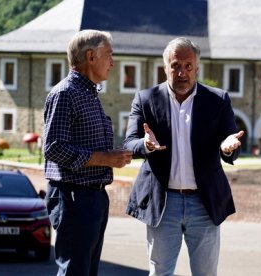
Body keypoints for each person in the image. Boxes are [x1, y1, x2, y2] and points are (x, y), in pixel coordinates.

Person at [122, 37, 244, 276]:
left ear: (197, 68)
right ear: (165, 67)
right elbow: (129, 143)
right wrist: (146, 145)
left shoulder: (217, 100)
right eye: (175, 65)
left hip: (203, 203)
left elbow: (230, 140)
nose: (182, 72)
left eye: (188, 66)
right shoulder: (146, 99)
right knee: (160, 272)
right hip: (163, 203)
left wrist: (228, 148)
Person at [43, 30, 133, 276]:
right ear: (91, 57)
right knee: (74, 271)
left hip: (92, 198)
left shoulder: (89, 94)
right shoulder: (65, 93)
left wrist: (114, 155)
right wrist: (104, 158)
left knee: (87, 271)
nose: (113, 63)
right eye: (109, 55)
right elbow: (53, 147)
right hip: (73, 198)